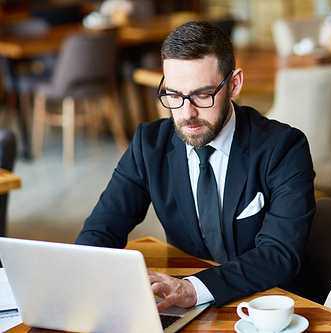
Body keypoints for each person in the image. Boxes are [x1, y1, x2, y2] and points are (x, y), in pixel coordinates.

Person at [75, 20, 317, 309]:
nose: (188, 113)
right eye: (174, 95)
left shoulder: (284, 147)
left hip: (271, 305)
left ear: (234, 84)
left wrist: (193, 288)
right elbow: (102, 228)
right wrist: (81, 272)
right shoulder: (149, 145)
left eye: (203, 95)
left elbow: (279, 253)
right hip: (191, 307)